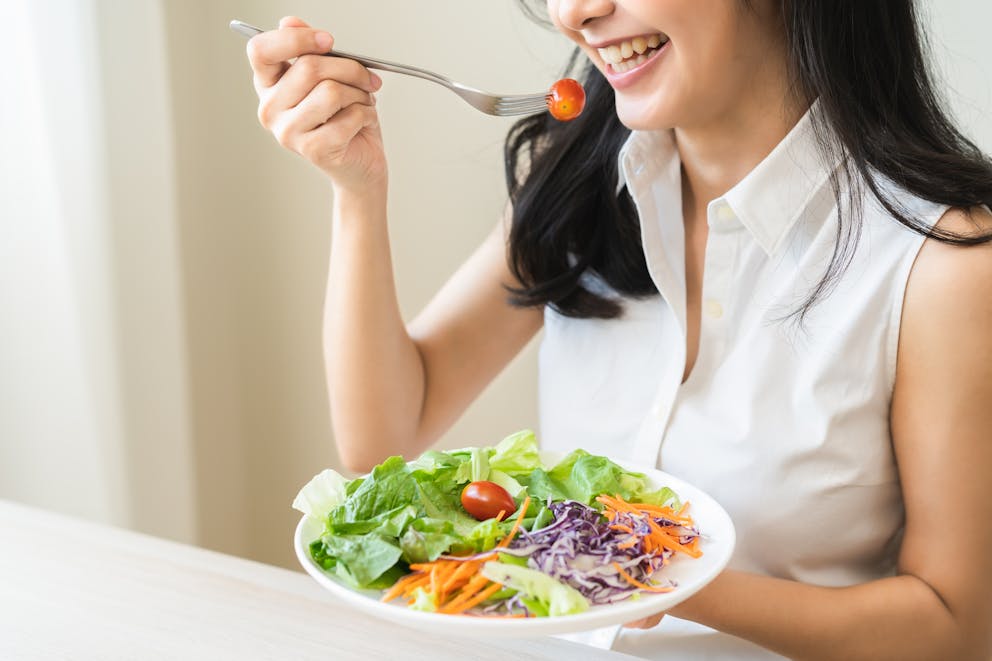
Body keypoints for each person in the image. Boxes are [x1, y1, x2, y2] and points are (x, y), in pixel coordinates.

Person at [244, 2, 992, 658]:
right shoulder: (579, 185)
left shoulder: (941, 261)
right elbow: (384, 438)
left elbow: (952, 628)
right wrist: (356, 189)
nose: (574, 11)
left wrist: (646, 576)